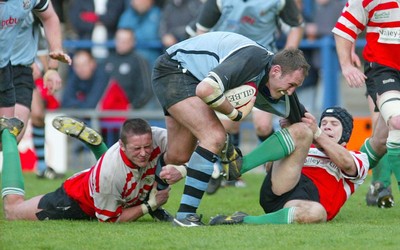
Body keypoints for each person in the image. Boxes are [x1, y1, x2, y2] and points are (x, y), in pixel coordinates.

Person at [152, 31, 310, 226]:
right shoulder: (253, 58)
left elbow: (303, 124)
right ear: (276, 71)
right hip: (175, 70)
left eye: (297, 87)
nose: (291, 91)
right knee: (215, 136)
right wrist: (235, 114)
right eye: (291, 84)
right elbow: (205, 90)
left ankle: (148, 200)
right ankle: (186, 216)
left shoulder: (280, 84)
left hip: (184, 74)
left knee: (178, 154)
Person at [187, 0, 304, 192]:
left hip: (264, 69)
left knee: (263, 125)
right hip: (231, 67)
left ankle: (275, 168)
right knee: (229, 123)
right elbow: (201, 30)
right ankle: (230, 173)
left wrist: (287, 59)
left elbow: (296, 26)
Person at [1, 116, 186, 222]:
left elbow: (195, 148)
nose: (144, 153)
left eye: (147, 146)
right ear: (121, 145)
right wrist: (150, 205)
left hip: (119, 185)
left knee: (124, 176)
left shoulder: (157, 137)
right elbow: (110, 221)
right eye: (137, 149)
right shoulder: (109, 174)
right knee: (13, 210)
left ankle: (100, 149)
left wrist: (182, 169)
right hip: (75, 200)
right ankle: (9, 133)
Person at [209, 107, 369, 225]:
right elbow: (269, 169)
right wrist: (287, 136)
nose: (327, 126)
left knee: (317, 213)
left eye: (334, 124)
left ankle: (243, 220)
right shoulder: (307, 146)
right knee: (301, 131)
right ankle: (239, 166)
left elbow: (348, 165)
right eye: (324, 122)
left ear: (346, 136)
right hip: (283, 186)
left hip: (304, 204)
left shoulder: (357, 157)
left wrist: (318, 134)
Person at [332, 1, 400, 200]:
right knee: (395, 121)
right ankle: (381, 185)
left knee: (380, 139)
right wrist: (346, 64)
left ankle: (336, 179)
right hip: (383, 69)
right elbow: (345, 27)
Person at [0, 0, 71, 145]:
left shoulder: (29, 2)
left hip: (18, 70)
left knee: (10, 136)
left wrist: (52, 65)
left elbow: (49, 18)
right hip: (10, 66)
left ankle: (42, 166)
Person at [118, 0, 162, 69]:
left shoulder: (158, 14)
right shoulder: (127, 15)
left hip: (152, 59)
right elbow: (121, 35)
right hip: (130, 60)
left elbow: (153, 35)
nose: (138, 2)